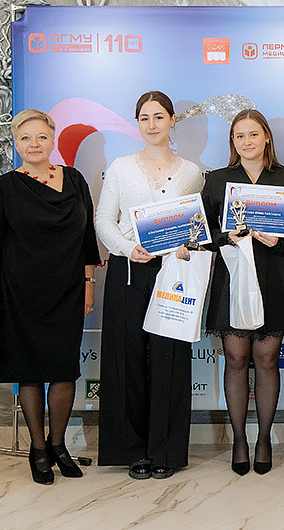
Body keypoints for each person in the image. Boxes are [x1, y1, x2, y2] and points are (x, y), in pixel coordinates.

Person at [0, 109, 100, 485]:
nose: (34, 144)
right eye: (25, 138)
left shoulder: (75, 180)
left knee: (64, 370)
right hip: (20, 295)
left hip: (67, 291)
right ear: (16, 143)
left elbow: (87, 239)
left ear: (52, 139)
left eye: (41, 137)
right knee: (28, 371)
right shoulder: (3, 187)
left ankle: (58, 445)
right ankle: (38, 449)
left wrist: (89, 283)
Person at [95, 91, 203, 480]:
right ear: (137, 123)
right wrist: (127, 248)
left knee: (169, 359)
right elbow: (103, 219)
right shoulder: (120, 167)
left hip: (173, 273)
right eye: (144, 118)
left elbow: (197, 226)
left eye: (159, 116)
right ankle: (132, 450)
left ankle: (166, 451)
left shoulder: (192, 172)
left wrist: (188, 246)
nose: (152, 124)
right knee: (126, 359)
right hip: (129, 271)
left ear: (173, 120)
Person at [202, 109, 284, 475]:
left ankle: (264, 439)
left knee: (266, 360)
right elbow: (202, 232)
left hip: (273, 277)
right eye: (239, 136)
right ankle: (238, 439)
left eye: (252, 134)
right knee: (235, 359)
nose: (246, 142)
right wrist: (225, 236)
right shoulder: (218, 180)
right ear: (232, 142)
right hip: (232, 279)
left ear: (266, 137)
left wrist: (281, 241)